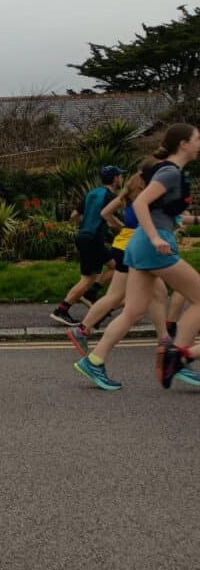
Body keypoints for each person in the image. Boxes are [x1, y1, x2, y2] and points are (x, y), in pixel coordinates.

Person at [74, 124, 200, 390]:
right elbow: (141, 203)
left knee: (132, 310)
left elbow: (160, 210)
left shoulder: (170, 172)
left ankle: (94, 360)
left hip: (140, 245)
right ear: (184, 144)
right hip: (153, 246)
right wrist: (155, 237)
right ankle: (178, 357)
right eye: (197, 138)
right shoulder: (169, 172)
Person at [66, 167, 170, 356]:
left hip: (121, 246)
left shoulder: (126, 197)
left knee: (131, 294)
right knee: (156, 295)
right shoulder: (147, 200)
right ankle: (165, 342)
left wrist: (121, 227)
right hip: (138, 249)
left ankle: (81, 329)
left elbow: (105, 213)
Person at [50, 166, 125, 326]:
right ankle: (62, 309)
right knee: (88, 279)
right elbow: (110, 219)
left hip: (83, 236)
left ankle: (91, 293)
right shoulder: (110, 196)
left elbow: (74, 215)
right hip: (94, 239)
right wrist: (125, 229)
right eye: (120, 176)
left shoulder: (92, 193)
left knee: (114, 265)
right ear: (115, 179)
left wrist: (85, 226)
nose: (121, 179)